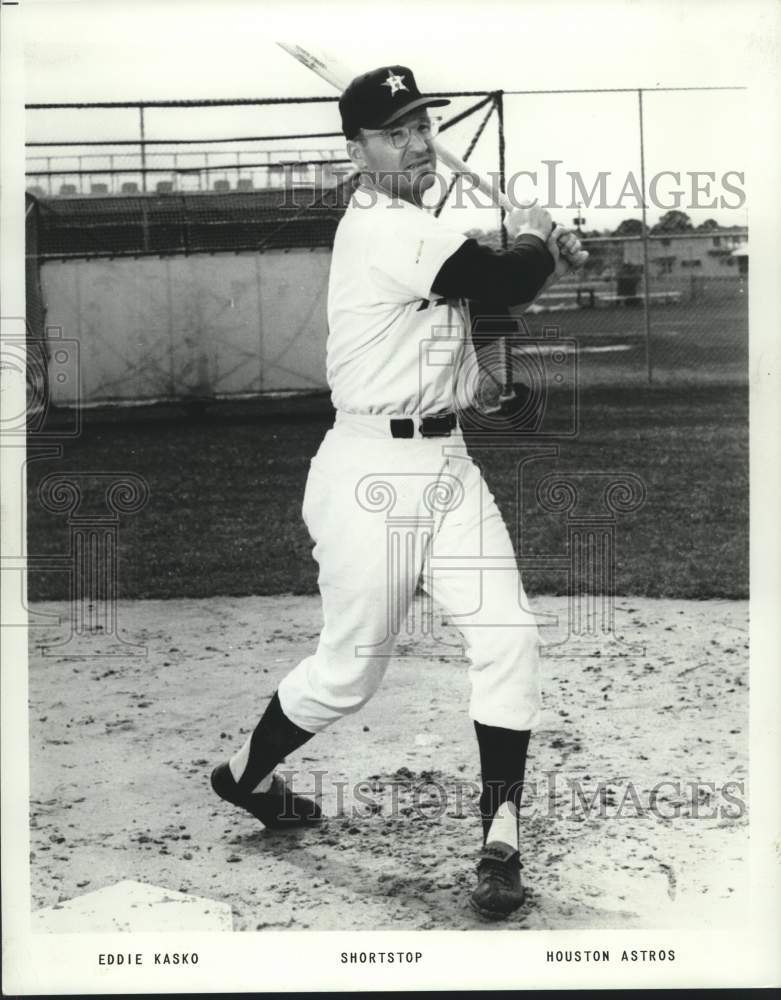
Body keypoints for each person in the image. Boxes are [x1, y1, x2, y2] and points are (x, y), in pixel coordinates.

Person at [211, 64, 584, 920]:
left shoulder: (420, 225)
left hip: (447, 466)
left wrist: (533, 280)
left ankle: (501, 838)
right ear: (358, 151)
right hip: (366, 473)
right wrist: (530, 238)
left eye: (423, 124)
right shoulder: (377, 224)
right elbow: (495, 282)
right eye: (396, 130)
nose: (418, 142)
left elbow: (479, 314)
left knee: (509, 634)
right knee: (348, 674)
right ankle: (244, 775)